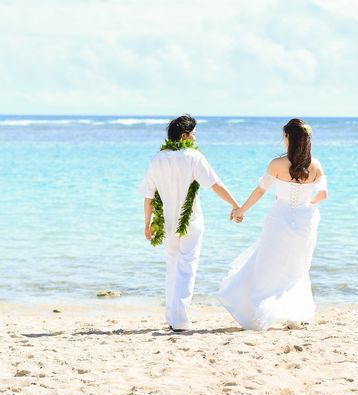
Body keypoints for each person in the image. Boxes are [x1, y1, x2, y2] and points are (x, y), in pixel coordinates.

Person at [219, 118, 328, 330]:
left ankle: (261, 311)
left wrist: (241, 210)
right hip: (306, 221)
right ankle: (295, 313)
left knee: (268, 263)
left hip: (280, 218)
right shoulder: (315, 165)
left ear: (289, 138)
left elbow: (260, 191)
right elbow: (323, 195)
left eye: (284, 136)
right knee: (297, 268)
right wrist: (307, 204)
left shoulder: (277, 164)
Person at [140, 114, 242, 331]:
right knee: (187, 267)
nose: (196, 138)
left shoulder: (157, 159)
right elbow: (215, 184)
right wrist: (235, 205)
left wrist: (147, 223)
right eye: (194, 134)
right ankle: (180, 320)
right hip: (191, 222)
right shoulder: (193, 156)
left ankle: (172, 317)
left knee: (172, 266)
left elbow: (148, 196)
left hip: (167, 223)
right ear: (184, 135)